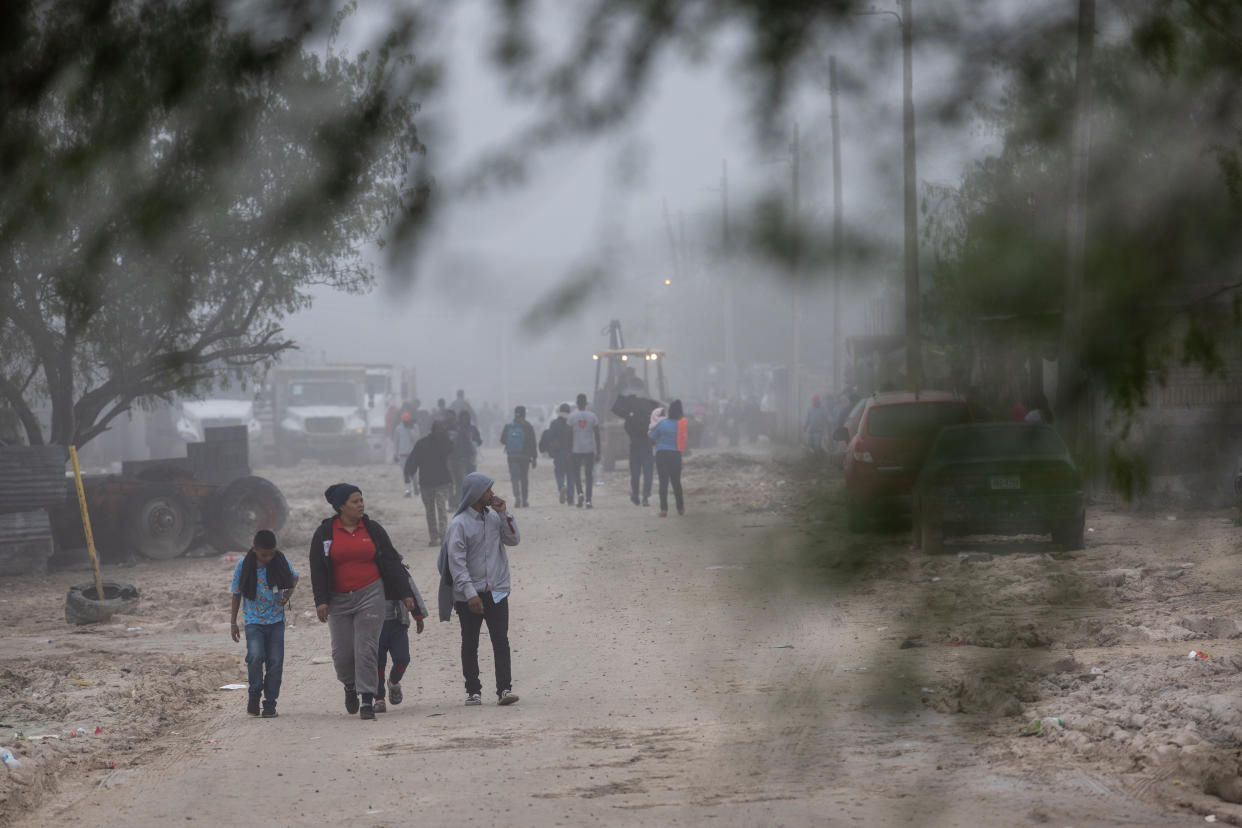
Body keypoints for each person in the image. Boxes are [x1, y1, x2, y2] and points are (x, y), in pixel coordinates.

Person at [309, 484, 416, 721]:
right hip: (338, 599)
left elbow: (390, 561)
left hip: (371, 594)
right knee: (343, 653)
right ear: (341, 507)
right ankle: (349, 685)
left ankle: (367, 699)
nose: (360, 505)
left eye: (361, 500)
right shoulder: (325, 532)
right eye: (355, 501)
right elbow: (317, 569)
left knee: (366, 647)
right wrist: (321, 601)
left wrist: (405, 593)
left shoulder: (373, 529)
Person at [436, 472, 521, 706]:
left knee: (500, 641)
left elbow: (514, 540)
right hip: (468, 595)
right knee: (470, 642)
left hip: (497, 590)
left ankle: (504, 689)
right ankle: (473, 690)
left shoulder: (494, 518)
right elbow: (457, 562)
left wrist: (504, 513)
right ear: (475, 494)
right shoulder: (459, 524)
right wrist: (470, 593)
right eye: (487, 490)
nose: (492, 494)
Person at [230, 529, 298, 718]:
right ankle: (254, 695)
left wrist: (287, 595)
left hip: (276, 621)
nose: (268, 558)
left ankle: (270, 704)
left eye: (271, 553)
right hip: (253, 622)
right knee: (255, 657)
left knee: (275, 663)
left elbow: (294, 577)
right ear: (254, 549)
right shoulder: (243, 565)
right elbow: (236, 593)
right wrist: (233, 623)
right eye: (263, 554)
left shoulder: (280, 562)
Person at [373, 563, 429, 713]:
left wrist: (418, 615)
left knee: (402, 658)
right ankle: (379, 699)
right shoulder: (365, 566)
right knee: (377, 663)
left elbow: (411, 590)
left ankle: (393, 682)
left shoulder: (397, 566)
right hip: (373, 623)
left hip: (397, 622)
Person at [405, 420, 454, 546]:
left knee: (431, 511)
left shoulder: (422, 443)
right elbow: (450, 450)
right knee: (440, 509)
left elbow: (412, 460)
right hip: (438, 482)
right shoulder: (443, 441)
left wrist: (408, 473)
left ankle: (435, 537)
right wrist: (408, 473)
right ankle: (441, 537)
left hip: (428, 482)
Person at [612, 393, 657, 507]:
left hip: (635, 448)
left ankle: (635, 496)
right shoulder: (649, 419)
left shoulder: (632, 419)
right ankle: (646, 497)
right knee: (648, 474)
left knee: (635, 475)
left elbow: (627, 428)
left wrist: (629, 417)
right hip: (647, 448)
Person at [650, 399, 687, 517]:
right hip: (675, 455)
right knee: (676, 482)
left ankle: (664, 509)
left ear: (669, 411)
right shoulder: (682, 424)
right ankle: (680, 508)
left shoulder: (662, 424)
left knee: (663, 482)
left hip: (662, 455)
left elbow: (652, 437)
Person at [500, 405, 538, 508]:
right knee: (524, 478)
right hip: (525, 457)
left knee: (515, 478)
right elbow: (532, 443)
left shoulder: (509, 426)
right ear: (524, 414)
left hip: (512, 456)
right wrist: (534, 458)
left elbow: (502, 440)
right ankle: (525, 500)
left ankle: (517, 498)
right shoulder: (528, 426)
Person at [568, 393, 601, 508]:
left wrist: (569, 450)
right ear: (586, 403)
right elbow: (597, 434)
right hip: (589, 448)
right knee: (588, 475)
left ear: (577, 403)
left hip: (576, 449)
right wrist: (599, 451)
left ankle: (580, 493)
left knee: (576, 473)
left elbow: (569, 435)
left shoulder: (572, 417)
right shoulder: (592, 416)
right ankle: (588, 500)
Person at [539, 402, 574, 505]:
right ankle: (571, 500)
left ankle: (561, 486)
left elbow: (549, 436)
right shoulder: (571, 422)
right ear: (569, 411)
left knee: (559, 473)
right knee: (571, 475)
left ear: (560, 411)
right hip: (571, 453)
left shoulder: (554, 423)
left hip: (559, 453)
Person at [449, 410, 483, 496]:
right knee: (462, 481)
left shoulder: (458, 428)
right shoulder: (459, 429)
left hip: (467, 458)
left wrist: (472, 439)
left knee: (464, 481)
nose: (465, 420)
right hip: (461, 459)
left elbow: (479, 441)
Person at [392, 412, 421, 498]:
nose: (406, 423)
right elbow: (396, 442)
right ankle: (408, 491)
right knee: (406, 473)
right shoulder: (398, 429)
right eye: (404, 421)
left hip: (413, 454)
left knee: (414, 474)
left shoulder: (415, 427)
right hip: (402, 455)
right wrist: (395, 454)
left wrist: (410, 429)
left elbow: (417, 439)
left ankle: (416, 487)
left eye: (407, 421)